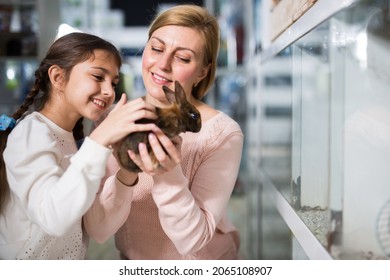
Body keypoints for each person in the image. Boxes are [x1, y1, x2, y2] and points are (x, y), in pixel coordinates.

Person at [85, 4, 244, 259]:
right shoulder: (112, 119)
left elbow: (193, 241)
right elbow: (99, 230)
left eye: (182, 58)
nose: (163, 64)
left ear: (203, 70)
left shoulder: (222, 134)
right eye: (156, 48)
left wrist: (167, 172)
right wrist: (128, 169)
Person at [0, 32, 158, 259]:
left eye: (113, 83)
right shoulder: (31, 132)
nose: (109, 92)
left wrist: (127, 171)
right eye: (97, 76)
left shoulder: (78, 145)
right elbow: (53, 219)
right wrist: (100, 139)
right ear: (58, 77)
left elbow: (99, 229)